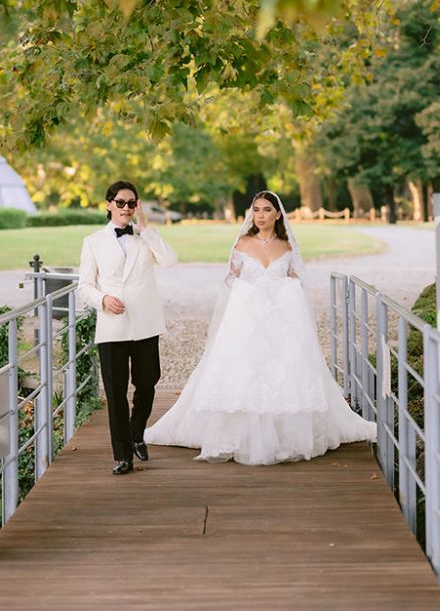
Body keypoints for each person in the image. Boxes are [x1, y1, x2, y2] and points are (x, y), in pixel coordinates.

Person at [145, 190, 376, 466]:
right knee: (245, 372)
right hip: (248, 321)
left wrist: (284, 294)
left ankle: (284, 435)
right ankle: (240, 435)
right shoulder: (242, 244)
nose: (261, 215)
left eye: (267, 210)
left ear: (278, 214)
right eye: (256, 210)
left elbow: (296, 282)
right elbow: (231, 280)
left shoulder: (287, 247)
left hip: (282, 323)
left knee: (283, 373)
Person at [78, 180, 177, 475]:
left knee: (147, 383)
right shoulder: (93, 242)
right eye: (120, 202)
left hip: (145, 324)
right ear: (108, 204)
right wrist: (103, 299)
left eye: (131, 203)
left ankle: (137, 433)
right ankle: (122, 455)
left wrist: (146, 228)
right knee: (116, 392)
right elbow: (84, 286)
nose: (126, 208)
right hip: (112, 327)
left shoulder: (144, 237)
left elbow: (170, 261)